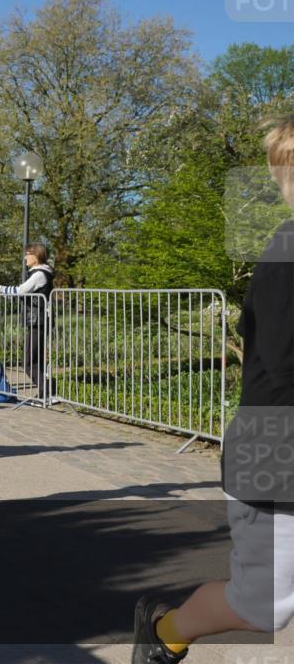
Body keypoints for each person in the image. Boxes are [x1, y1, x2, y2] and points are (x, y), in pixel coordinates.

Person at [131, 115, 294, 663]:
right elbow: (285, 365)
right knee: (262, 606)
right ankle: (165, 631)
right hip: (278, 463)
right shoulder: (285, 259)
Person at [0, 244, 54, 400]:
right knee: (36, 360)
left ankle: (49, 391)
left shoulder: (39, 274)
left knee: (29, 362)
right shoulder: (39, 273)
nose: (25, 258)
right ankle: (46, 392)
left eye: (28, 254)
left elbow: (20, 290)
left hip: (39, 321)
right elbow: (22, 294)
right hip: (37, 321)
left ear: (36, 256)